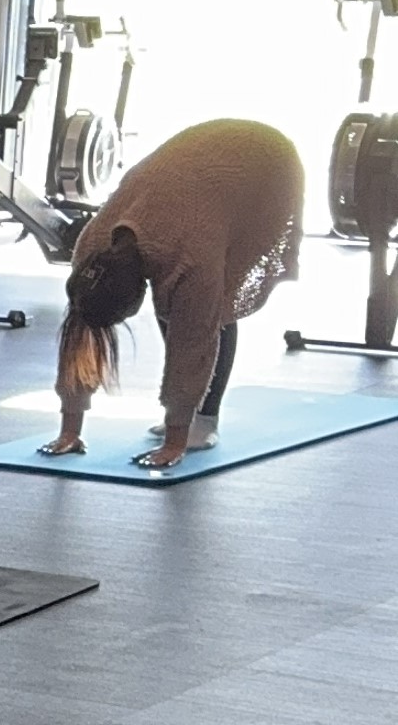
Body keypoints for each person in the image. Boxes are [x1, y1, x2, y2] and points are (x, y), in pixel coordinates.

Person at [42, 117, 303, 471]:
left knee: (212, 306)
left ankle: (204, 420)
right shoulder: (92, 246)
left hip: (265, 165)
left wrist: (175, 442)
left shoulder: (191, 255)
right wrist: (69, 431)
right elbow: (78, 341)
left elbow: (195, 338)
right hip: (191, 167)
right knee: (181, 304)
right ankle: (186, 414)